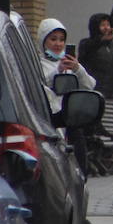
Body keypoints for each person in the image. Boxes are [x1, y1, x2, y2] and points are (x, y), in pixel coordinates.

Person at [38, 17, 97, 174]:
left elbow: (89, 85)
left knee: (78, 159)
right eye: (53, 39)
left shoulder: (71, 64)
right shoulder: (37, 64)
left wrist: (78, 69)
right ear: (43, 41)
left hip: (71, 120)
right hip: (51, 121)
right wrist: (57, 71)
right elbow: (41, 83)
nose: (58, 44)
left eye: (61, 40)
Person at [78, 13, 113, 100]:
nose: (106, 28)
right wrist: (101, 40)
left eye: (108, 25)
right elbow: (88, 51)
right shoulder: (86, 44)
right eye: (103, 25)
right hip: (96, 91)